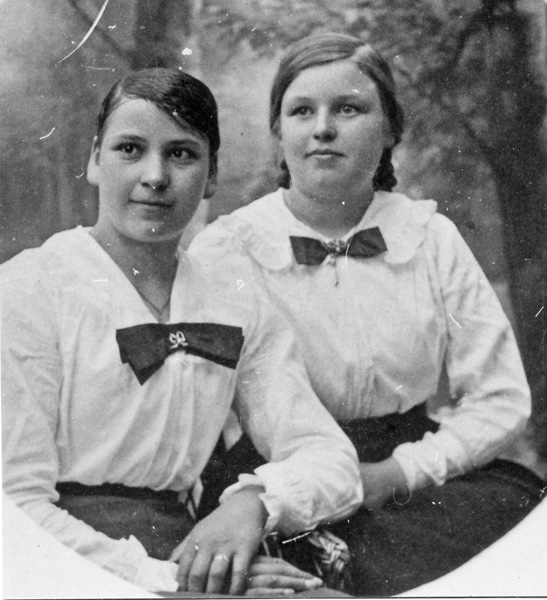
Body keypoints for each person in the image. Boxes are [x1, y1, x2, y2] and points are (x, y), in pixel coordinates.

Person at [189, 33, 546, 595]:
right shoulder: (229, 248)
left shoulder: (429, 237)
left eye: (348, 109)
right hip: (275, 478)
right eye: (301, 111)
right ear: (278, 134)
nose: (322, 128)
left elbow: (500, 398)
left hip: (414, 475)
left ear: (390, 131)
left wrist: (399, 473)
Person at [0, 67, 363, 596]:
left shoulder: (235, 300)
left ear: (211, 176)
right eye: (130, 149)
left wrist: (256, 504)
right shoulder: (30, 289)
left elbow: (332, 461)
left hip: (183, 543)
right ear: (95, 160)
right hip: (63, 563)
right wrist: (167, 581)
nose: (155, 176)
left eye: (181, 154)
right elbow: (14, 508)